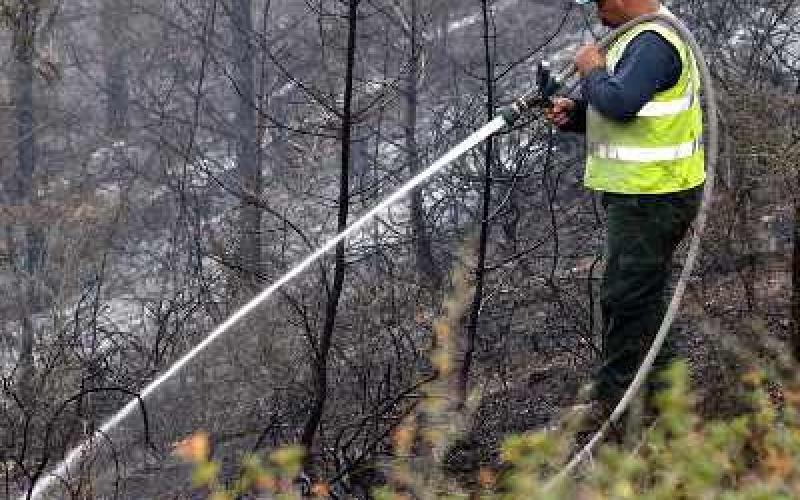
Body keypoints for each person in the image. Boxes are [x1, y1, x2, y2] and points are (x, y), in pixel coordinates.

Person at [545, 0, 704, 423]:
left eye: (599, 1)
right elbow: (631, 114)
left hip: (652, 196)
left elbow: (621, 102)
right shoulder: (642, 36)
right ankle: (664, 398)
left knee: (625, 298)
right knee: (642, 300)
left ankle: (617, 404)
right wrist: (578, 115)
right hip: (647, 193)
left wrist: (591, 69)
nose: (596, 10)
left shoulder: (652, 41)